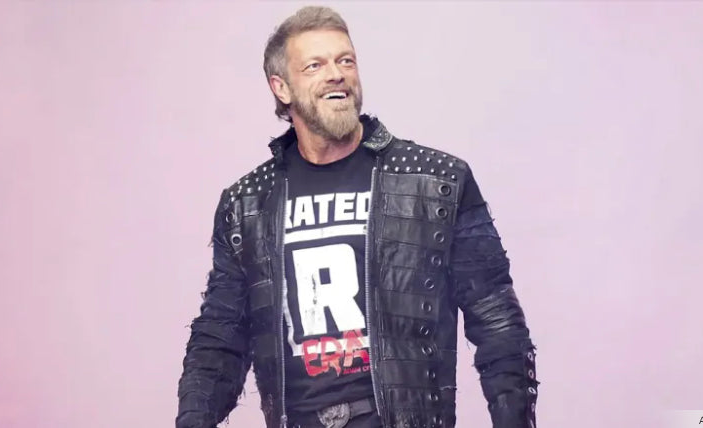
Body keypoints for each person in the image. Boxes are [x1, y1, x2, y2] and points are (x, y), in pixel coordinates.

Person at [176, 6, 538, 428]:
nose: (336, 74)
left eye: (345, 60)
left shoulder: (436, 182)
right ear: (282, 87)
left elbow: (497, 323)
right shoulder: (247, 206)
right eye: (315, 65)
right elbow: (219, 338)